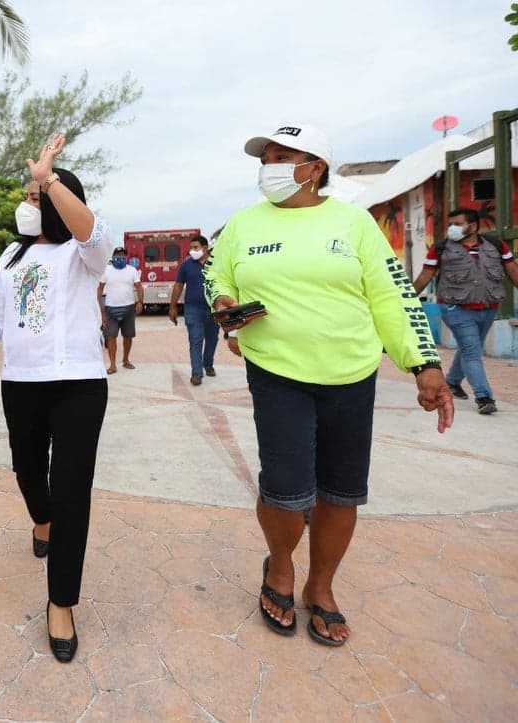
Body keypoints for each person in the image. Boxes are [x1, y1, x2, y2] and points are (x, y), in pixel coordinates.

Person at [204, 124, 453, 647]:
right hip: (276, 372)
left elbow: (391, 295)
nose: (268, 163)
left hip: (351, 375)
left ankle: (321, 587)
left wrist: (423, 364)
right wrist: (223, 304)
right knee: (287, 489)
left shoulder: (354, 223)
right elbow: (215, 278)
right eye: (265, 155)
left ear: (316, 167)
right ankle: (279, 567)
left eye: (283, 154)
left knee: (341, 491)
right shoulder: (242, 226)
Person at [0, 134, 112, 663]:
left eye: (35, 197)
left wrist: (49, 177)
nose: (27, 205)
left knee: (73, 491)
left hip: (78, 385)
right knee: (27, 468)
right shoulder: (11, 254)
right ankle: (41, 519)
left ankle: (61, 603)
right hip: (22, 385)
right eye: (30, 196)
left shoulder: (85, 252)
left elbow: (91, 229)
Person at [412, 207, 518, 415]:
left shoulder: (496, 245)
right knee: (472, 351)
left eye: (458, 224)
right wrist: (406, 298)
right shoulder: (441, 248)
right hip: (455, 309)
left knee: (470, 347)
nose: (452, 228)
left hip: (488, 308)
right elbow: (425, 276)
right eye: (451, 223)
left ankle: (452, 381)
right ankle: (483, 396)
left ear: (473, 226)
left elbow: (512, 270)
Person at [169, 234, 218, 385]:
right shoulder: (187, 265)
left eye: (195, 247)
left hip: (214, 309)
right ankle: (197, 373)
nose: (192, 251)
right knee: (195, 340)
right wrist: (173, 306)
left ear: (205, 248)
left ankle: (208, 364)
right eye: (191, 248)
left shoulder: (217, 263)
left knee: (212, 339)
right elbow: (178, 285)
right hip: (193, 309)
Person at [98, 247, 143, 374]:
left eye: (123, 255)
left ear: (126, 257)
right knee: (111, 337)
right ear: (113, 257)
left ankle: (126, 360)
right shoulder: (106, 270)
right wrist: (101, 309)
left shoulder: (132, 270)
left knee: (128, 337)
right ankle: (112, 365)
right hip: (111, 309)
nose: (120, 257)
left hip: (128, 308)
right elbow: (100, 289)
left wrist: (140, 301)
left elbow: (139, 286)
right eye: (118, 255)